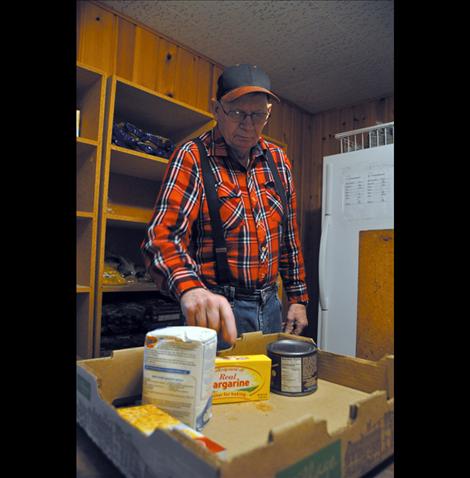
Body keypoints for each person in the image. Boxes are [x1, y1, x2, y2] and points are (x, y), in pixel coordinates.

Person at [142, 64, 309, 348]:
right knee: (215, 391)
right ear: (216, 110)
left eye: (258, 115)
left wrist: (297, 298)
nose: (248, 125)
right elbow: (163, 237)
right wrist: (191, 289)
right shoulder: (193, 157)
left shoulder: (279, 161)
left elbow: (288, 239)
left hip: (271, 306)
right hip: (216, 310)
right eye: (236, 113)